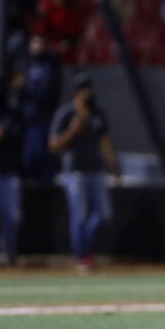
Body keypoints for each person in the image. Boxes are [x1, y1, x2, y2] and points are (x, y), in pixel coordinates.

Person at [48, 73, 121, 274]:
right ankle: (83, 257)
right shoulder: (65, 114)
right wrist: (73, 130)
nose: (90, 94)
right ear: (77, 93)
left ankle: (85, 246)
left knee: (103, 214)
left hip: (96, 170)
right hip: (74, 172)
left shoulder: (97, 113)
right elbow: (53, 145)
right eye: (86, 90)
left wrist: (115, 167)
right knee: (79, 217)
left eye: (91, 90)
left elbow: (105, 142)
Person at [20, 35, 62, 181]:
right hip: (28, 119)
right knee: (28, 160)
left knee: (40, 157)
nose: (34, 46)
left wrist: (24, 87)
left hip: (42, 119)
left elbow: (45, 92)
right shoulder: (30, 64)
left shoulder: (50, 66)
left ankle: (47, 192)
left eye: (38, 43)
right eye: (33, 43)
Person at [0, 74, 23, 267]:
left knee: (12, 216)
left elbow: (19, 136)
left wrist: (4, 133)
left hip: (9, 172)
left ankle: (11, 254)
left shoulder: (10, 113)